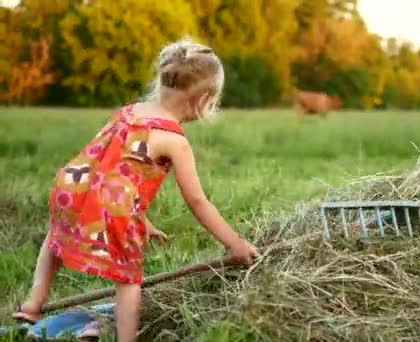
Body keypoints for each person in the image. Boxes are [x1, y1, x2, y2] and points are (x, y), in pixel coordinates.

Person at [12, 37, 259, 341]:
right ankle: (126, 337)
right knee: (128, 280)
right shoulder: (174, 140)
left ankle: (33, 304)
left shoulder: (131, 111)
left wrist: (141, 218)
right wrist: (235, 243)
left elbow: (110, 170)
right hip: (110, 204)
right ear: (205, 99)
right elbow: (197, 202)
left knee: (55, 239)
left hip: (73, 187)